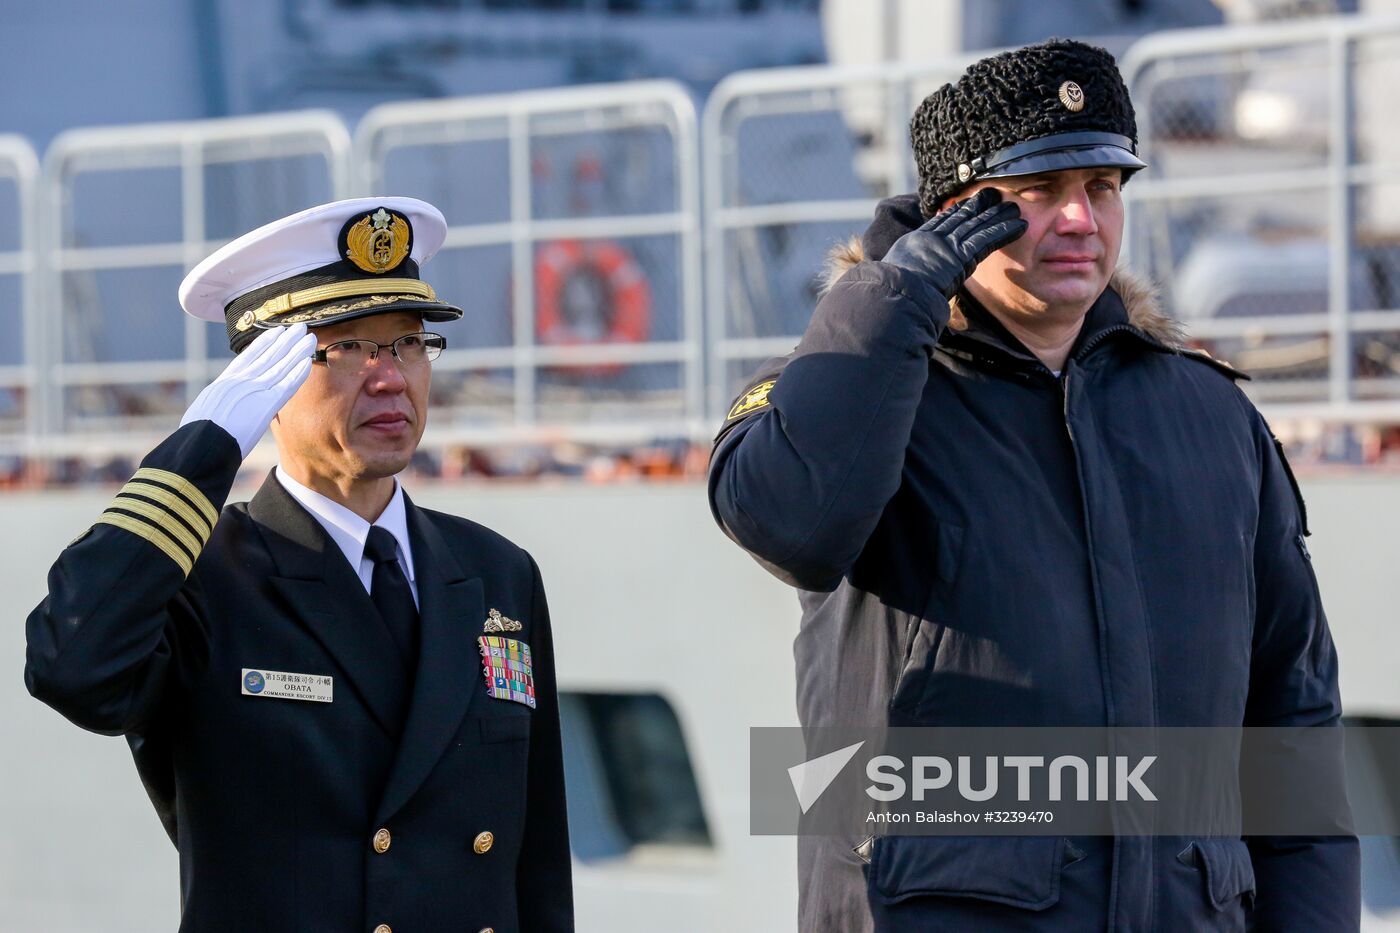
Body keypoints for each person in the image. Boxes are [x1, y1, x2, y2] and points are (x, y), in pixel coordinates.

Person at [707, 39, 1359, 932]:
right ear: (952, 216)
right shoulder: (859, 394)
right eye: (1039, 191)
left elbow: (1293, 719)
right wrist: (892, 297)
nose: (1081, 219)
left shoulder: (1212, 417)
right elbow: (788, 523)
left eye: (1102, 188)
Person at [25, 198, 573, 933]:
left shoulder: (496, 573)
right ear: (268, 381)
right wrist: (204, 448)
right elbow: (71, 662)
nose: (389, 378)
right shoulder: (204, 580)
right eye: (345, 347)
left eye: (408, 343)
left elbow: (537, 870)